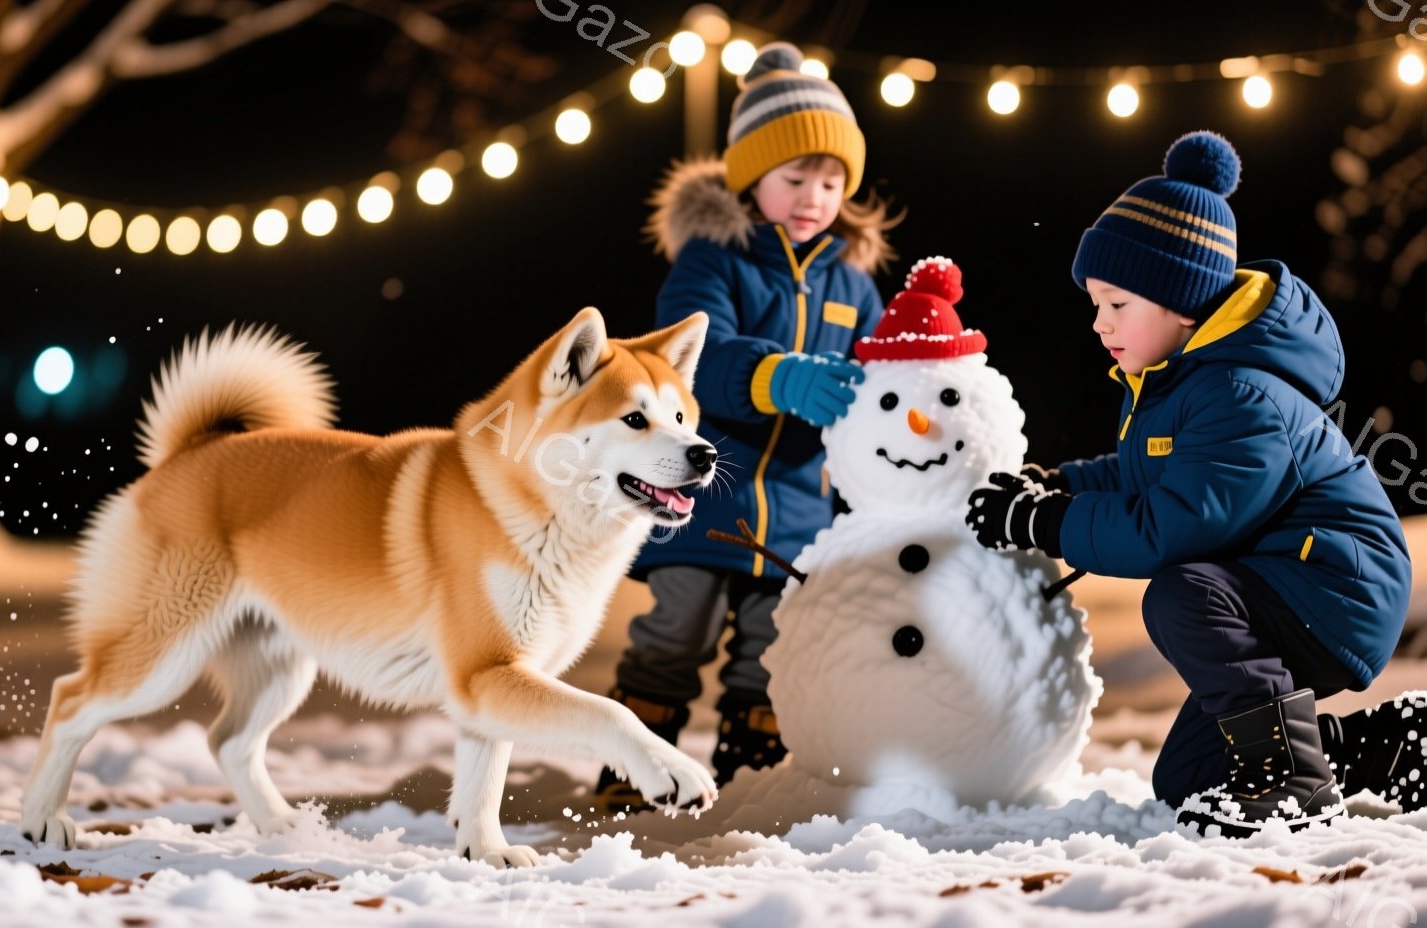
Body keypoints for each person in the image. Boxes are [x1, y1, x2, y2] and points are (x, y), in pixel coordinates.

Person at [965, 130, 1421, 837]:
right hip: (1282, 584)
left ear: (1183, 303)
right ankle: (1379, 748)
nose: (1098, 322)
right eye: (1094, 303)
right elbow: (1143, 473)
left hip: (1334, 586)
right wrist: (1055, 483)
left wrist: (1046, 522)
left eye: (1117, 304)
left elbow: (1175, 527)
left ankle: (1293, 782)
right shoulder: (1179, 383)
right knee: (1187, 780)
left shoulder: (1241, 395)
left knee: (1181, 591)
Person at [595, 42, 896, 808]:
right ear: (749, 177)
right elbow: (696, 357)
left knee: (770, 651)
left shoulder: (852, 283)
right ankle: (634, 776)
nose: (813, 196)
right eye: (795, 178)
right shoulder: (713, 262)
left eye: (831, 182)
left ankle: (750, 781)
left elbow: (880, 374)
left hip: (796, 508)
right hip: (703, 500)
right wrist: (777, 375)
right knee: (674, 636)